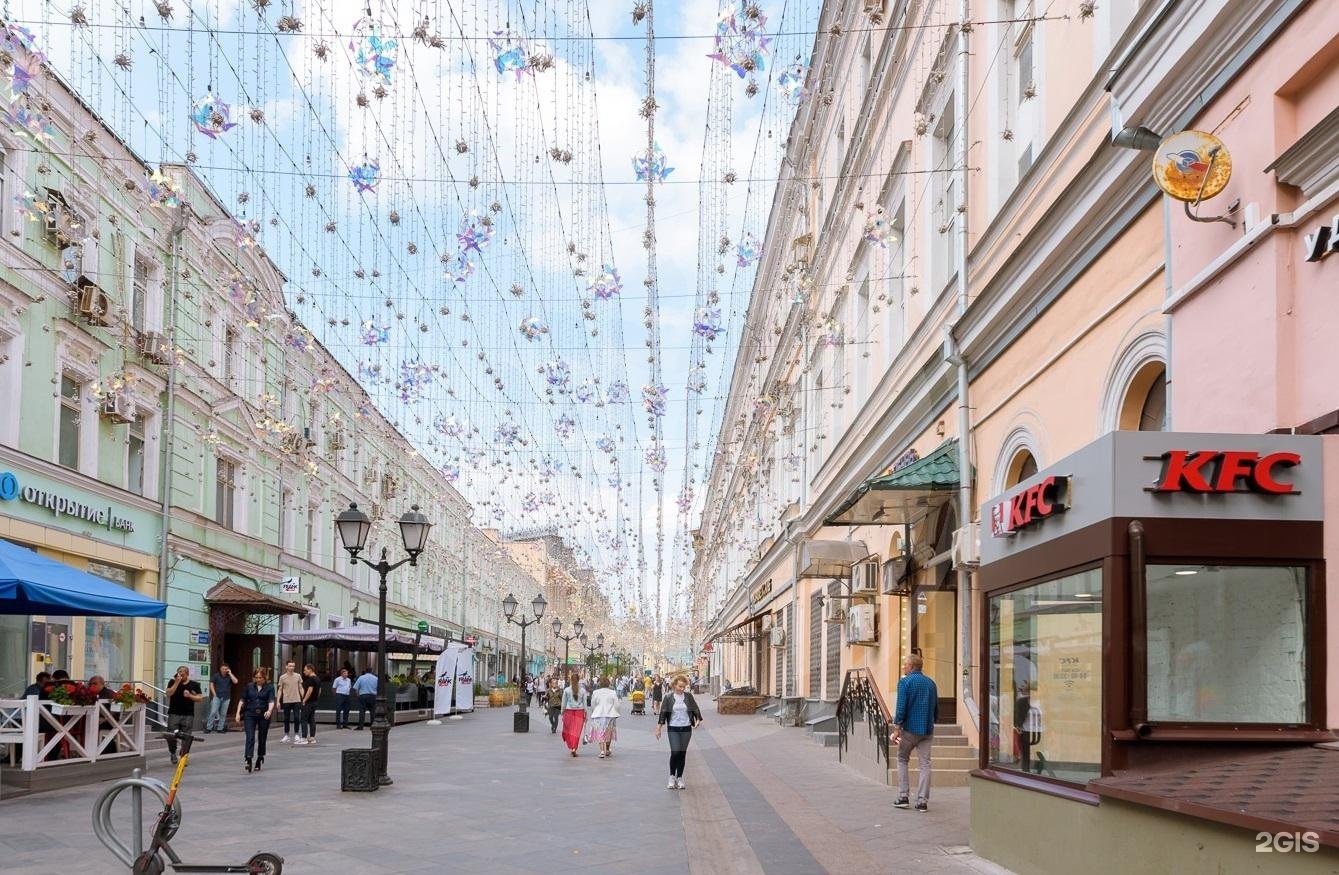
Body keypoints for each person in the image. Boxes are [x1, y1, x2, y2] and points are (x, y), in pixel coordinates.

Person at [891, 653, 938, 813]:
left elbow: (901, 707)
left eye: (905, 664)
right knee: (925, 764)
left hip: (910, 730)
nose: (903, 667)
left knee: (902, 759)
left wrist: (897, 728)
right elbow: (936, 708)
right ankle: (922, 802)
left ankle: (903, 797)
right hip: (927, 729)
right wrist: (931, 722)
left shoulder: (905, 682)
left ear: (911, 667)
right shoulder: (931, 683)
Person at [656, 674, 702, 790]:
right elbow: (663, 713)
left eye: (684, 687)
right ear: (674, 685)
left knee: (682, 753)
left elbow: (695, 708)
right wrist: (659, 728)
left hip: (686, 728)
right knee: (675, 752)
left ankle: (680, 778)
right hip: (673, 728)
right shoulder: (668, 697)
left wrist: (698, 720)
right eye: (680, 686)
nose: (682, 689)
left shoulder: (688, 696)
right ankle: (672, 776)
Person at [234, 668, 276, 773]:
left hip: (263, 714)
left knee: (262, 737)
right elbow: (242, 699)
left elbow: (271, 700)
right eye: (256, 677)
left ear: (265, 678)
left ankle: (260, 757)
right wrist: (238, 713)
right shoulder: (249, 686)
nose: (258, 680)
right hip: (250, 714)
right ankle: (248, 759)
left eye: (260, 678)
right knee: (250, 736)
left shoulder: (270, 687)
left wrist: (269, 710)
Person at [164, 666, 204, 765]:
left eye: (182, 673)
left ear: (187, 674)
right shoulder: (172, 682)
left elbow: (200, 698)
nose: (180, 675)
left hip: (188, 714)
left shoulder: (194, 684)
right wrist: (177, 682)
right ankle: (173, 752)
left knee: (186, 737)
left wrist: (190, 696)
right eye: (179, 673)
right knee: (171, 735)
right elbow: (168, 693)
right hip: (174, 714)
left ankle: (183, 756)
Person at [588, 677, 620, 759]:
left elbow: (593, 704)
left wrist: (594, 711)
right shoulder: (612, 692)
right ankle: (608, 749)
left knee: (600, 732)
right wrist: (616, 712)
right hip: (610, 714)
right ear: (609, 683)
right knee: (608, 732)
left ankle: (602, 751)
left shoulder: (595, 692)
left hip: (598, 714)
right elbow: (616, 704)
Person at [560, 670, 588, 757]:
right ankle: (574, 748)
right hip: (580, 712)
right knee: (576, 731)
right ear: (579, 680)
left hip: (568, 711)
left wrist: (562, 711)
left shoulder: (567, 690)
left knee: (568, 730)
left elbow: (563, 702)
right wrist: (586, 713)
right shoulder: (583, 691)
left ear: (571, 680)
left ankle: (571, 746)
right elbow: (585, 703)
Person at [276, 661, 303, 743]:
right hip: (286, 700)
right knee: (286, 718)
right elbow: (280, 689)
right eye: (290, 666)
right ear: (286, 667)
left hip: (297, 699)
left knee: (296, 717)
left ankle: (296, 734)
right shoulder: (282, 677)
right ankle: (286, 735)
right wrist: (278, 701)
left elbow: (300, 687)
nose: (292, 667)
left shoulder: (298, 676)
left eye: (293, 666)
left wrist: (303, 697)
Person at [207, 663, 238, 733]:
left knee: (223, 714)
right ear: (220, 669)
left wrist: (230, 673)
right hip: (217, 697)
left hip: (226, 698)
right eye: (223, 669)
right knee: (213, 712)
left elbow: (236, 681)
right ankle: (209, 727)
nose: (224, 670)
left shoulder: (229, 676)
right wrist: (214, 694)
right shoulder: (216, 675)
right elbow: (211, 684)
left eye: (226, 669)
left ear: (228, 669)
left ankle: (220, 728)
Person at [296, 664, 320, 745]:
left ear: (310, 670)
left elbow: (309, 691)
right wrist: (316, 698)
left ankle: (304, 738)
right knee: (312, 719)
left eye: (305, 670)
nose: (304, 671)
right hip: (314, 702)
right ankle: (312, 738)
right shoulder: (317, 678)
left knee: (304, 719)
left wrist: (304, 700)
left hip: (308, 702)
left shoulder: (311, 679)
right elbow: (319, 691)